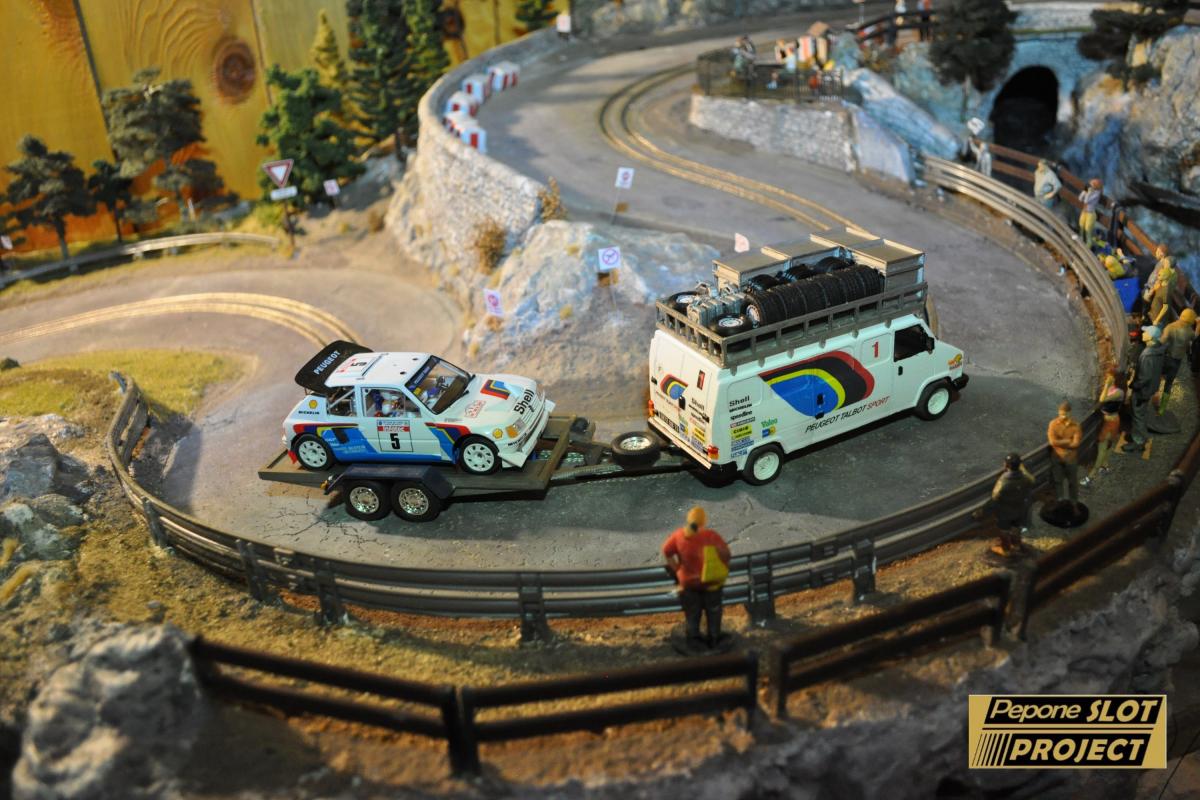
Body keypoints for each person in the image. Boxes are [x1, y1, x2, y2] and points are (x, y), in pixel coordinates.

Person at [662, 507, 731, 653]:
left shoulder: (679, 535)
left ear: (688, 520)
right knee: (714, 610)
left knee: (693, 612)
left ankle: (693, 639)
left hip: (688, 584)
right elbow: (727, 555)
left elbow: (666, 551)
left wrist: (677, 569)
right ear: (703, 521)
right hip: (710, 582)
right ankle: (714, 637)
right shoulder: (710, 535)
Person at [982, 453, 1035, 557]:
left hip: (1005, 512)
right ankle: (1016, 545)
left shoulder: (1004, 481)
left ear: (1007, 465)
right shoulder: (1025, 479)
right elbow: (1032, 480)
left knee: (1004, 530)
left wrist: (982, 511)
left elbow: (995, 498)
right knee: (1016, 527)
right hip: (1019, 509)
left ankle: (1006, 550)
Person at [1124, 325, 1165, 453]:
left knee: (1138, 416)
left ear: (1151, 337)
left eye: (1146, 332)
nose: (1143, 333)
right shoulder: (1158, 350)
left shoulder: (1147, 355)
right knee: (1141, 414)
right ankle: (1139, 437)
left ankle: (1139, 442)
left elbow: (1144, 377)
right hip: (1150, 388)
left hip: (1142, 391)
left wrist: (1133, 385)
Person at [1081, 368, 1126, 486]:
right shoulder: (1112, 389)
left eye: (1109, 376)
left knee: (1102, 448)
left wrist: (1106, 385)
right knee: (1107, 446)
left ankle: (1091, 477)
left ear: (1114, 378)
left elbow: (1102, 399)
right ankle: (1105, 466)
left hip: (1111, 422)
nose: (1106, 378)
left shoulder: (1119, 392)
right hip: (1107, 420)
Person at [1159, 308, 1198, 412]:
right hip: (1177, 361)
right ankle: (1162, 408)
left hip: (1166, 357)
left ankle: (1153, 399)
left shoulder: (1170, 327)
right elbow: (1195, 337)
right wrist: (1198, 324)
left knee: (1157, 379)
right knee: (1168, 384)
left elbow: (1161, 342)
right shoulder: (1189, 331)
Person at [1047, 401, 1082, 509]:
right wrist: (1068, 441)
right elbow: (1052, 442)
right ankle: (1060, 501)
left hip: (1070, 458)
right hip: (1057, 457)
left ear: (1070, 413)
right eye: (1061, 414)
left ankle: (1074, 503)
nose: (1062, 416)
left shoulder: (1076, 425)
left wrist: (1060, 442)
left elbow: (1076, 443)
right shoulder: (1053, 424)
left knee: (1073, 482)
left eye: (1065, 414)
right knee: (1058, 481)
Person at [1078, 178, 1103, 249]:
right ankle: (1080, 241)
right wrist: (1084, 191)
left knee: (1087, 229)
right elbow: (1080, 199)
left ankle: (1088, 244)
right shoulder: (1090, 191)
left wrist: (1089, 193)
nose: (1090, 186)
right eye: (1090, 184)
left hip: (1090, 214)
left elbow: (1086, 201)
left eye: (1092, 184)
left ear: (1096, 186)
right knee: (1081, 226)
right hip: (1084, 211)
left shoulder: (1097, 194)